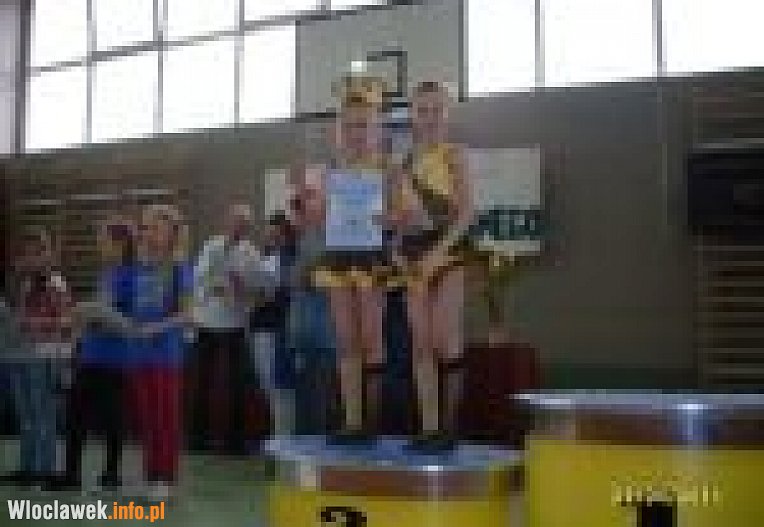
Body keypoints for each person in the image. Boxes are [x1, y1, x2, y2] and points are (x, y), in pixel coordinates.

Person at [293, 73, 397, 442]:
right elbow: (314, 221)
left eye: (363, 125)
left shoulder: (389, 169)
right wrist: (304, 200)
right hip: (338, 257)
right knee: (346, 339)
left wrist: (391, 218)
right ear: (340, 130)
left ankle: (375, 419)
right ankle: (353, 421)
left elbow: (409, 217)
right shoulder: (328, 172)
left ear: (377, 128)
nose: (356, 133)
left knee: (371, 337)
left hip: (372, 256)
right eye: (350, 126)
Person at [395, 81, 472, 451]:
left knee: (445, 336)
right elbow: (403, 216)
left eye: (436, 110)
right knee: (421, 341)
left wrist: (440, 251)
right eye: (422, 110)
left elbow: (467, 212)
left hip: (448, 251)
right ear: (413, 114)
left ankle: (451, 424)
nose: (429, 118)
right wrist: (396, 241)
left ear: (448, 113)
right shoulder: (405, 161)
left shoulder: (454, 154)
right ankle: (429, 426)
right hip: (413, 253)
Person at [116, 204, 193, 500]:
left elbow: (187, 315)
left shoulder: (179, 269)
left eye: (155, 228)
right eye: (145, 228)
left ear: (171, 234)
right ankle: (151, 476)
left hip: (166, 355)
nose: (148, 233)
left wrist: (155, 328)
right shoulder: (135, 269)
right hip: (138, 354)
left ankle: (167, 479)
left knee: (166, 418)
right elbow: (127, 310)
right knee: (147, 419)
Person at [58, 214, 136, 491]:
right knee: (75, 415)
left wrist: (94, 315)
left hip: (114, 359)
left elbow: (128, 321)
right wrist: (81, 324)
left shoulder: (131, 276)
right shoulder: (107, 274)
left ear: (120, 243)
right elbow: (99, 314)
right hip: (90, 355)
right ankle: (71, 475)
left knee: (112, 419)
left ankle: (111, 475)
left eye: (104, 240)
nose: (99, 246)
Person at [191, 202, 273, 454]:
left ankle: (235, 441)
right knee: (201, 381)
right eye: (235, 221)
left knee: (239, 383)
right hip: (206, 321)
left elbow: (263, 286)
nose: (238, 226)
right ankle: (197, 438)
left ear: (249, 228)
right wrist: (214, 286)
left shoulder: (252, 254)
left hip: (234, 323)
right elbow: (197, 277)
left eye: (244, 223)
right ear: (226, 221)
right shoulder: (211, 246)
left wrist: (242, 286)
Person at [2, 230, 75, 487]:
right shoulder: (22, 284)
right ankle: (27, 467)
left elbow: (67, 321)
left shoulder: (56, 283)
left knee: (43, 414)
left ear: (47, 254)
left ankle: (43, 470)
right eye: (27, 253)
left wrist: (37, 323)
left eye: (37, 252)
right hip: (18, 355)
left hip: (45, 355)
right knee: (25, 416)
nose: (31, 258)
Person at [248, 211, 297, 437]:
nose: (271, 238)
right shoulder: (264, 257)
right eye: (268, 234)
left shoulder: (290, 258)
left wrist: (270, 293)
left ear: (284, 234)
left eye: (275, 234)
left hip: (278, 326)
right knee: (265, 382)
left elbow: (285, 292)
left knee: (280, 383)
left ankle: (283, 434)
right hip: (261, 325)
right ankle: (273, 431)